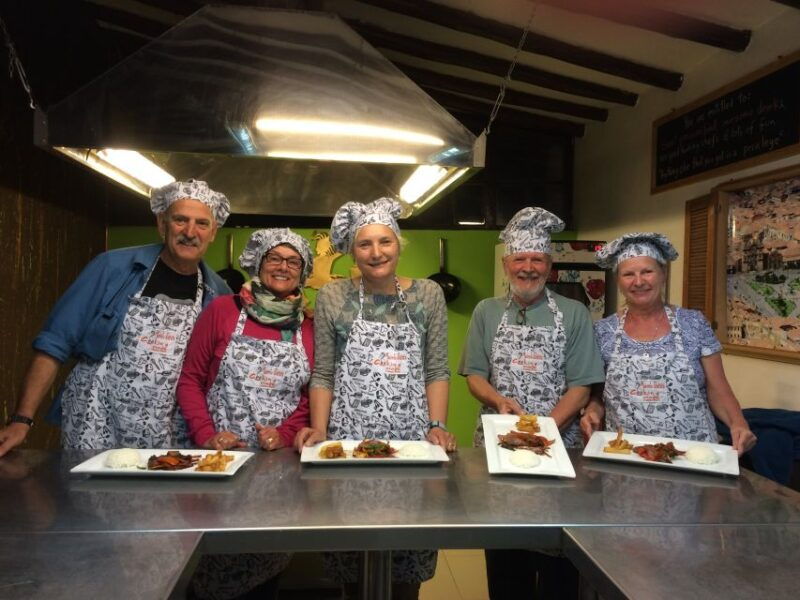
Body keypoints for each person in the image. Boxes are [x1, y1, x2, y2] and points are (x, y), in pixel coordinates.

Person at [295, 197, 455, 600]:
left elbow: (436, 368)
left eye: (384, 241)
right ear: (352, 251)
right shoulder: (333, 296)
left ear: (399, 245)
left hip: (411, 444)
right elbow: (324, 373)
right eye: (364, 244)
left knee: (407, 559)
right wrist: (320, 429)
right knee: (352, 556)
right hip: (350, 443)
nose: (376, 252)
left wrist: (436, 426)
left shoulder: (429, 295)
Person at [0, 179, 230, 456]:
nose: (190, 232)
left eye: (201, 224)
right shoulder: (112, 268)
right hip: (96, 419)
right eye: (180, 220)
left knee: (160, 499)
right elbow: (55, 342)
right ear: (162, 224)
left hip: (169, 430)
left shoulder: (217, 294)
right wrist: (22, 420)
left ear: (213, 232)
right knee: (88, 496)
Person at [458, 206, 605, 600]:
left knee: (557, 557)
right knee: (505, 554)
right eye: (519, 258)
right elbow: (474, 375)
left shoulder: (574, 314)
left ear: (549, 265)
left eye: (537, 259)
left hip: (560, 446)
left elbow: (581, 386)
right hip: (497, 446)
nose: (528, 267)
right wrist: (498, 400)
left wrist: (541, 431)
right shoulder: (486, 312)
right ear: (506, 264)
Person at [176, 228, 314, 600]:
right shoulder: (223, 310)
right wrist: (207, 434)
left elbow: (310, 398)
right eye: (274, 258)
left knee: (265, 563)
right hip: (218, 463)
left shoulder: (309, 325)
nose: (283, 267)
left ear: (303, 272)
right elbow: (189, 380)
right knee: (212, 562)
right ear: (259, 262)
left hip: (278, 469)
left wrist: (284, 434)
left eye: (293, 261)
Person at [580, 232, 757, 454]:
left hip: (694, 453)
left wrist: (738, 423)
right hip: (628, 455)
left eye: (647, 271)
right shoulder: (602, 330)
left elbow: (718, 389)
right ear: (618, 281)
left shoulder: (694, 323)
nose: (639, 282)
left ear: (663, 274)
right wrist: (593, 412)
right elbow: (599, 394)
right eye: (628, 274)